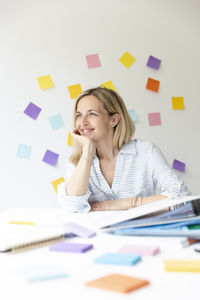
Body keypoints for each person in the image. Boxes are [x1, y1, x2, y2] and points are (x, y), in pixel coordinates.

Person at [57, 87, 191, 213]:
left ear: (114, 120)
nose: (83, 122)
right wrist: (87, 151)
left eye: (92, 114)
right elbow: (72, 206)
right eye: (79, 115)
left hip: (140, 234)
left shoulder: (146, 152)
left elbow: (182, 198)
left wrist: (122, 204)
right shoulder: (77, 162)